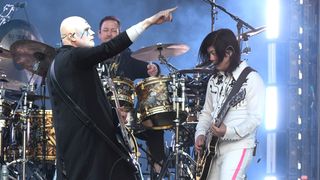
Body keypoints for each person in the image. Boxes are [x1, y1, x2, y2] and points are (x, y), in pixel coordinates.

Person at [47, 7, 176, 180]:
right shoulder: (74, 57)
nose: (92, 32)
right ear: (72, 37)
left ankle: (158, 165)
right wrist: (149, 22)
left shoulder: (62, 62)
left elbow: (87, 102)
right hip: (89, 147)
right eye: (87, 30)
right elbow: (110, 48)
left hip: (88, 145)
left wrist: (114, 115)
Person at [97, 15, 166, 176]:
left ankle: (158, 171)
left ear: (120, 35)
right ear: (99, 34)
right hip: (99, 114)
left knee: (155, 123)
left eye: (114, 31)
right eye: (106, 30)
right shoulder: (93, 57)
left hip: (127, 116)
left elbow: (149, 69)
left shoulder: (129, 57)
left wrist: (154, 69)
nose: (110, 34)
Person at [194, 28, 265, 180]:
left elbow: (255, 119)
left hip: (238, 147)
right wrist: (200, 133)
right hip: (212, 150)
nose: (211, 58)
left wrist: (228, 131)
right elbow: (206, 112)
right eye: (209, 54)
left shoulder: (252, 79)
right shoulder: (213, 80)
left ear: (229, 52)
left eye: (214, 53)